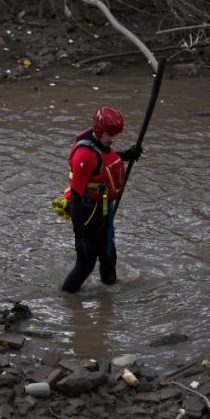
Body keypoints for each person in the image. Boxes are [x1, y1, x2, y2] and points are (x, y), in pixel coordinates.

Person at [61, 106, 143, 293]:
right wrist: (79, 236)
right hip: (88, 214)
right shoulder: (84, 155)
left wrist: (125, 156)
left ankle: (109, 293)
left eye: (115, 135)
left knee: (108, 255)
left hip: (103, 209)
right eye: (109, 135)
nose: (112, 139)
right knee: (86, 264)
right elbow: (75, 198)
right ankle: (66, 297)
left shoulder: (99, 144)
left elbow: (105, 159)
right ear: (98, 130)